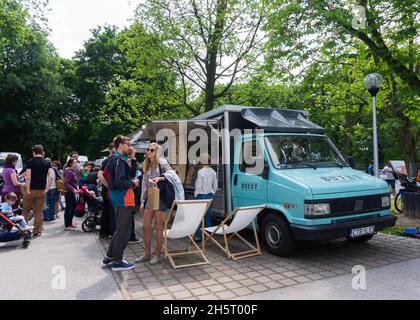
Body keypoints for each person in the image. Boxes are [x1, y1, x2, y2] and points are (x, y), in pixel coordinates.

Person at [102, 135, 139, 272]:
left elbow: (129, 173)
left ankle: (110, 256)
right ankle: (117, 261)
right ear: (120, 145)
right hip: (123, 198)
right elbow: (120, 181)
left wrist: (133, 158)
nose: (129, 146)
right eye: (127, 143)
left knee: (120, 230)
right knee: (124, 231)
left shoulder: (116, 159)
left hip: (119, 198)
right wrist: (133, 184)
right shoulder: (119, 160)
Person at [135, 143, 172, 265]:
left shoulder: (162, 162)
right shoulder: (146, 164)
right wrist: (141, 201)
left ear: (157, 152)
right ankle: (147, 254)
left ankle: (158, 254)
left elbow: (172, 175)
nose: (149, 152)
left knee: (158, 227)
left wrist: (160, 178)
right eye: (148, 149)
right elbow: (144, 184)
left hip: (160, 197)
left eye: (152, 150)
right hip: (150, 197)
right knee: (145, 226)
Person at [22, 145, 54, 237]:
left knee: (25, 211)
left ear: (33, 152)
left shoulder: (30, 162)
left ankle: (24, 230)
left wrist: (27, 189)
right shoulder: (47, 163)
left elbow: (28, 177)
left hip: (31, 190)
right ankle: (37, 231)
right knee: (39, 212)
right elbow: (51, 176)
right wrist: (47, 188)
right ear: (42, 152)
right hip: (41, 191)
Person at [193, 154, 218, 242]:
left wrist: (196, 194)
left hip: (201, 195)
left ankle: (198, 237)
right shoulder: (213, 171)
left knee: (199, 217)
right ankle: (207, 236)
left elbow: (199, 186)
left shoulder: (200, 172)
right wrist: (212, 192)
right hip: (210, 196)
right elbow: (215, 186)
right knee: (208, 216)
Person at [98, 143, 117, 238]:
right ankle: (109, 232)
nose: (115, 153)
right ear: (109, 150)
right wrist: (109, 186)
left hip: (108, 190)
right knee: (109, 211)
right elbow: (99, 175)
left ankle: (104, 232)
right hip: (108, 190)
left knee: (106, 210)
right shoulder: (108, 160)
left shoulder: (108, 160)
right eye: (113, 151)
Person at [63, 158, 79, 231]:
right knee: (69, 209)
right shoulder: (69, 171)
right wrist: (73, 189)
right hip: (69, 192)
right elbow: (66, 183)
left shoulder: (70, 171)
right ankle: (67, 225)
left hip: (70, 192)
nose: (77, 163)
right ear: (71, 163)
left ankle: (69, 223)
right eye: (75, 162)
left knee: (71, 208)